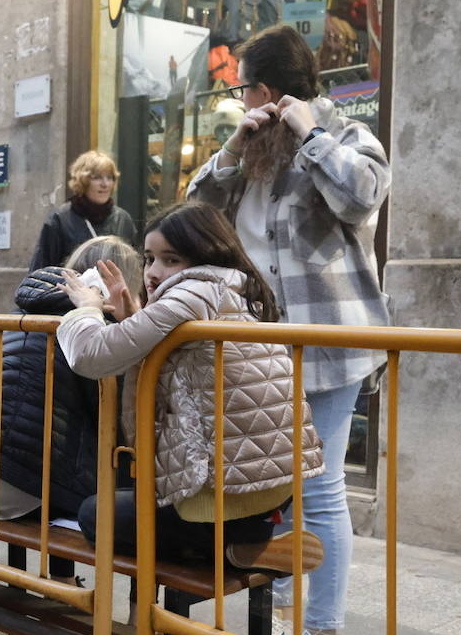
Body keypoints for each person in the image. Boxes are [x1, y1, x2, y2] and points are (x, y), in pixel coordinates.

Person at [188, 23, 389, 635]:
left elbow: (361, 198)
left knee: (320, 486)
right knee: (277, 485)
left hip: (330, 343)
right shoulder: (252, 150)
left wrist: (311, 134)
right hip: (264, 348)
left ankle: (324, 631)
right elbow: (195, 216)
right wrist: (228, 151)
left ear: (266, 88)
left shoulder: (345, 135)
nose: (241, 102)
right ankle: (280, 616)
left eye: (244, 90)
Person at [58, 203, 325, 580]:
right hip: (268, 486)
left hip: (219, 494)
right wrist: (134, 318)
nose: (153, 272)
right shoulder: (235, 290)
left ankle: (229, 550)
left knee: (93, 513)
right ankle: (246, 541)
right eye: (150, 258)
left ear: (205, 253)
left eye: (171, 259)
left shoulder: (191, 294)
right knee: (124, 502)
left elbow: (90, 355)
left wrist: (85, 309)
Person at [0, 236, 142, 529]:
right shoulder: (93, 328)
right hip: (13, 487)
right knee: (111, 487)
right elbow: (111, 420)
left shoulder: (24, 310)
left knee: (61, 451)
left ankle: (63, 578)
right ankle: (66, 577)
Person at [29, 151, 137, 271]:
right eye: (97, 177)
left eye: (110, 178)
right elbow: (40, 269)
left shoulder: (122, 219)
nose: (105, 184)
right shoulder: (60, 219)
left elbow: (133, 268)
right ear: (83, 181)